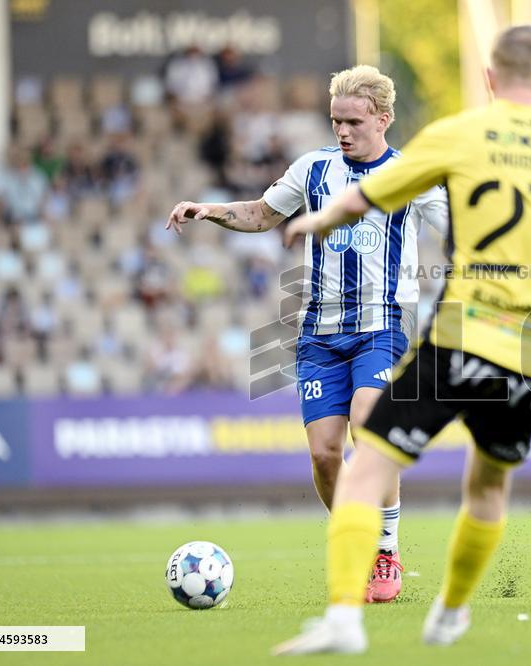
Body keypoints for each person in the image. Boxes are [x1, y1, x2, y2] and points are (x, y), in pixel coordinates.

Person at [271, 25, 531, 655]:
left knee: (369, 459)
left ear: (489, 79)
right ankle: (450, 612)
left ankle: (345, 617)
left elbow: (366, 195)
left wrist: (315, 219)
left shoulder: (458, 134)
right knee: (488, 485)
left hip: (460, 334)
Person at [167, 65, 448, 604]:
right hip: (318, 335)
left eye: (354, 122)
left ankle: (385, 549)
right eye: (336, 120)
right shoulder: (314, 169)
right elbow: (259, 215)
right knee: (324, 455)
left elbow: (458, 230)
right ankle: (357, 542)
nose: (342, 131)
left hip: (382, 327)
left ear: (383, 119)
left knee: (371, 428)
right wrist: (210, 210)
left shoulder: (411, 175)